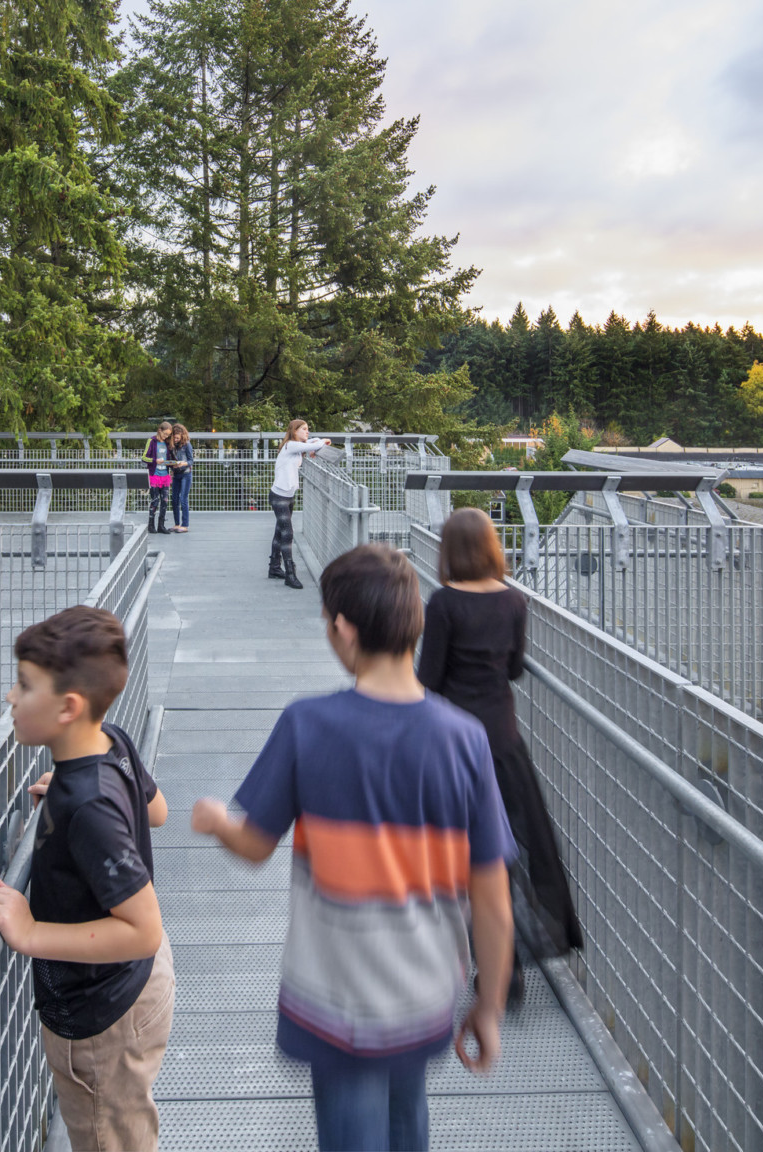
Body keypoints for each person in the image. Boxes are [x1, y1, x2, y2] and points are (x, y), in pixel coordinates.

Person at [191, 544, 515, 1152]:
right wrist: (489, 1004)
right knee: (405, 1119)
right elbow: (493, 900)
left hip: (336, 994)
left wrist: (215, 821)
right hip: (425, 992)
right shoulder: (465, 738)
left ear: (342, 628)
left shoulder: (308, 724)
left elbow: (256, 844)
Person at [0, 605, 173, 1152]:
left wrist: (30, 931)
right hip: (138, 985)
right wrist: (66, 789)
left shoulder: (86, 805)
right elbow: (156, 811)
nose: (11, 697)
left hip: (104, 1018)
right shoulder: (111, 741)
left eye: (24, 685)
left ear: (68, 707)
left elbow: (143, 929)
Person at [417, 508, 583, 974]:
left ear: (450, 550)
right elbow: (513, 670)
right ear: (491, 548)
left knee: (456, 852)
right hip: (503, 742)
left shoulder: (443, 603)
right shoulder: (513, 602)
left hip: (452, 746)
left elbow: (428, 677)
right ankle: (505, 963)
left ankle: (464, 956)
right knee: (503, 851)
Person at [267, 418, 331, 589]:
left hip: (288, 496)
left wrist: (317, 442)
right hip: (279, 497)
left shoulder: (295, 447)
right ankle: (289, 573)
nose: (307, 432)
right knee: (287, 533)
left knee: (280, 531)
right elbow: (313, 445)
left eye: (307, 429)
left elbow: (311, 443)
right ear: (294, 431)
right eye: (303, 429)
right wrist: (323, 441)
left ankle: (274, 567)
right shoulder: (290, 446)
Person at [143, 421, 174, 534]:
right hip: (154, 475)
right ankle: (151, 525)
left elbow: (169, 458)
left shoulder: (166, 444)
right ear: (159, 430)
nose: (166, 437)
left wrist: (172, 463)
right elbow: (144, 458)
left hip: (165, 475)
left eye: (168, 435)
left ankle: (161, 525)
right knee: (155, 501)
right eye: (165, 434)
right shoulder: (151, 441)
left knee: (165, 501)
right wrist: (155, 461)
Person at [167, 423, 194, 533]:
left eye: (178, 438)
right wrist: (171, 465)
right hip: (176, 474)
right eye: (175, 438)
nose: (176, 439)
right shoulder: (172, 446)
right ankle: (177, 524)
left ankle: (185, 525)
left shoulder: (187, 445)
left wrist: (183, 463)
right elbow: (170, 459)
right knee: (174, 499)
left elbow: (191, 460)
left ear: (182, 436)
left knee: (183, 499)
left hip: (186, 474)